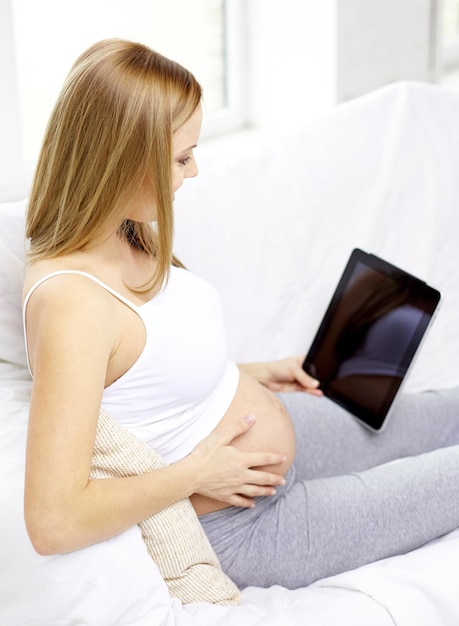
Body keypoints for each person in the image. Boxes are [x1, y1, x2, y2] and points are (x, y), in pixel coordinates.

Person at [23, 38, 459, 592]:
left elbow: (140, 373)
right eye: (182, 157)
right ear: (124, 158)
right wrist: (197, 475)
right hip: (244, 521)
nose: (195, 170)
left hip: (274, 426)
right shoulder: (71, 306)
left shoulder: (123, 231)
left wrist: (253, 373)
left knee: (448, 412)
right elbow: (52, 520)